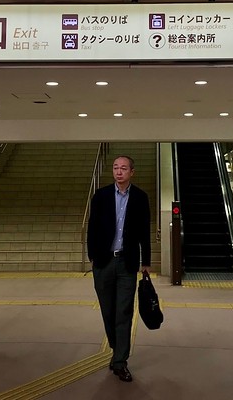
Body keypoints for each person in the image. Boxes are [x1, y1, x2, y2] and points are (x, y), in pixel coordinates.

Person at [86, 155, 151, 383]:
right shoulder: (101, 196)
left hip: (127, 263)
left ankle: (121, 361)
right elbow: (92, 227)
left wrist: (146, 262)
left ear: (131, 172)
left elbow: (145, 231)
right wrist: (92, 256)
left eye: (123, 168)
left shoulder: (141, 197)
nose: (119, 171)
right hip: (103, 262)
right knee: (108, 311)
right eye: (115, 168)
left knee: (123, 312)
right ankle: (116, 348)